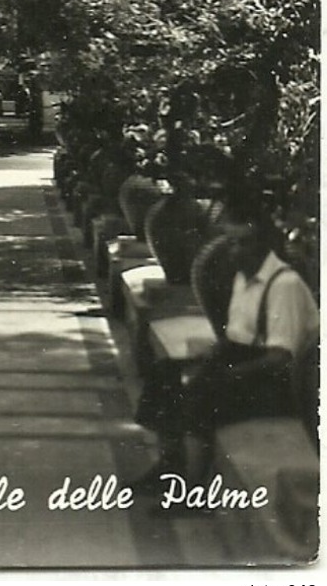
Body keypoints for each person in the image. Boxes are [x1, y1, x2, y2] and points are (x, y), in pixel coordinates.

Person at [131, 207, 319, 506]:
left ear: (264, 244)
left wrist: (226, 374)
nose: (235, 250)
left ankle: (192, 493)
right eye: (231, 242)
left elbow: (281, 358)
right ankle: (168, 468)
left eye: (244, 242)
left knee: (200, 393)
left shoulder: (284, 284)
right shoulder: (243, 277)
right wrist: (207, 360)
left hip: (276, 385)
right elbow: (236, 337)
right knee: (165, 373)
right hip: (243, 361)